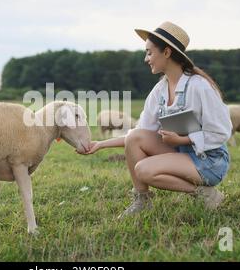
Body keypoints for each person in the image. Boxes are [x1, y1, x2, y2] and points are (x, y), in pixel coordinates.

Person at [80, 21, 232, 219]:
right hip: (183, 155)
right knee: (135, 137)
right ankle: (142, 201)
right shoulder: (159, 90)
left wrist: (182, 140)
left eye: (150, 53)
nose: (146, 59)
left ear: (167, 52)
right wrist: (100, 144)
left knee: (143, 170)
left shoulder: (199, 87)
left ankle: (205, 194)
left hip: (209, 160)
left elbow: (221, 132)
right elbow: (140, 133)